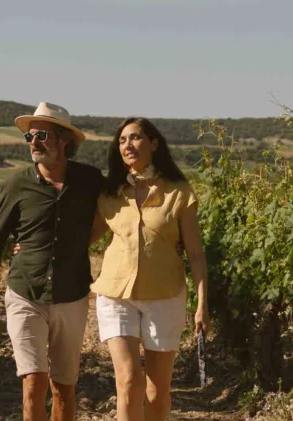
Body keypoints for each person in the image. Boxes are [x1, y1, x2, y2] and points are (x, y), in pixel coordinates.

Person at [0, 102, 104, 421]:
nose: (34, 142)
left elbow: (118, 212)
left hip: (71, 294)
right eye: (29, 136)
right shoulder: (18, 184)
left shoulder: (90, 180)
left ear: (63, 141)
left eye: (42, 135)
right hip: (25, 293)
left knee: (63, 388)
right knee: (33, 383)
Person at [90, 117, 210, 421]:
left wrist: (202, 304)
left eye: (135, 138)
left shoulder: (179, 192)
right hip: (116, 294)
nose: (127, 145)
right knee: (129, 381)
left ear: (154, 144)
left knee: (157, 392)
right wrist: (33, 245)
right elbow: (82, 238)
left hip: (164, 295)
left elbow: (195, 254)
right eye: (122, 140)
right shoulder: (111, 193)